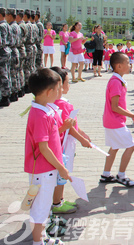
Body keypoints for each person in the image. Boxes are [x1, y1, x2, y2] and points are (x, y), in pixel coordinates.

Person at [24, 68, 71, 245]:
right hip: (44, 170)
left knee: (43, 207)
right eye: (59, 89)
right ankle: (38, 241)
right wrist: (61, 167)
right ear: (49, 92)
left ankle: (43, 238)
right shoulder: (40, 114)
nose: (61, 93)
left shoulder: (44, 110)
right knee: (40, 208)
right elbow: (43, 147)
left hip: (47, 169)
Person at [50, 67, 92, 215]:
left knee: (63, 171)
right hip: (64, 142)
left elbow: (73, 124)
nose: (68, 86)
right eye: (67, 82)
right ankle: (56, 203)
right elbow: (69, 128)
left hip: (66, 140)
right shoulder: (61, 103)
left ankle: (59, 199)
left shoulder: (61, 102)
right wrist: (82, 139)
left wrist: (82, 133)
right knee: (62, 172)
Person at [100, 52, 134, 187]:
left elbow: (118, 106)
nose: (130, 65)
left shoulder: (117, 80)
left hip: (112, 120)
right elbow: (115, 106)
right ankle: (121, 175)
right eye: (128, 63)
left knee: (115, 147)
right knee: (131, 146)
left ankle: (106, 174)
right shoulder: (116, 82)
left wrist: (129, 115)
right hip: (115, 121)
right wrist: (132, 116)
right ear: (119, 66)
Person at [0, 7, 12, 107]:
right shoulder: (7, 25)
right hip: (7, 50)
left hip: (2, 51)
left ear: (0, 15)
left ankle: (5, 97)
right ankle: (7, 94)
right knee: (6, 73)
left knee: (3, 75)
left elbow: (0, 41)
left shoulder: (1, 26)